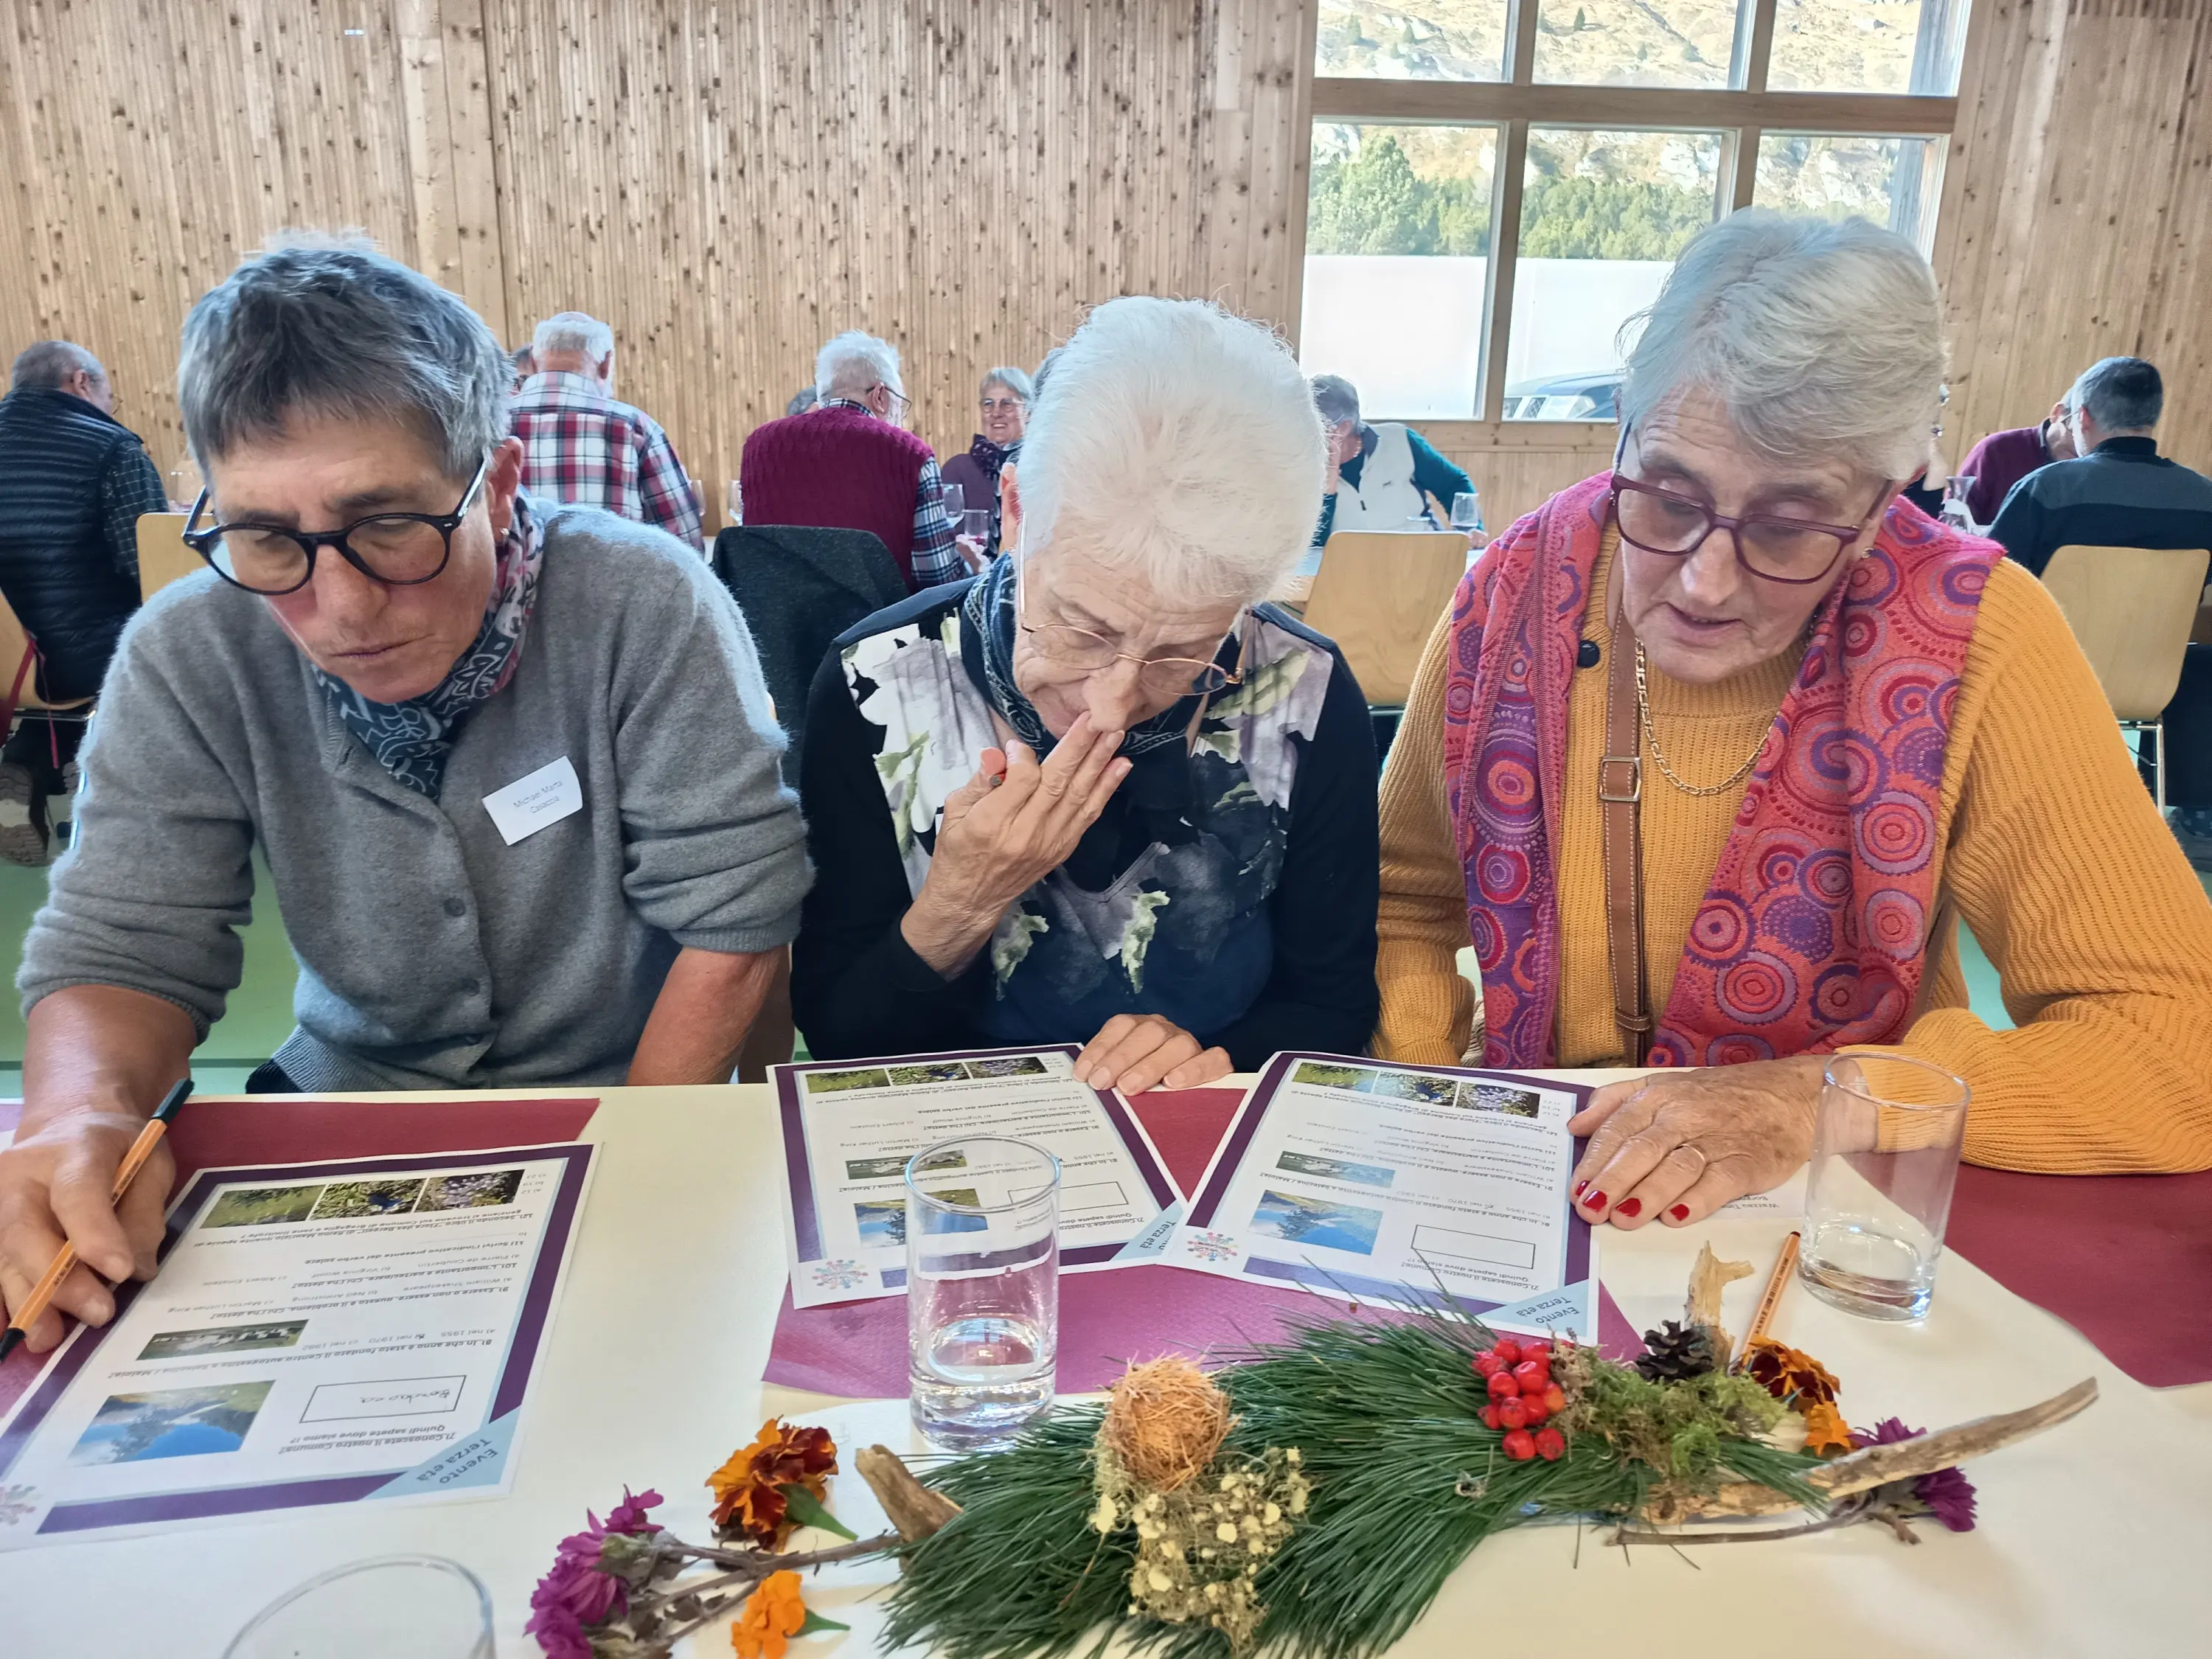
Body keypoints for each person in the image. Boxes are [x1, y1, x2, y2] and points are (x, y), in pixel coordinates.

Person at [0, 239, 807, 1354]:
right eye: (266, 538)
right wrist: (79, 1116)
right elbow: (123, 947)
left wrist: (625, 1168)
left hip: (630, 1092)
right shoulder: (187, 650)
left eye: (389, 526)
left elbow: (734, 923)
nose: (339, 605)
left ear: (501, 479)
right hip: (350, 1105)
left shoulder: (641, 603)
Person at [1371, 211, 2212, 1232]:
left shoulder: (1978, 634)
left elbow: (2176, 1044)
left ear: (1881, 505)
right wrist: (1428, 1119)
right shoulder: (1513, 591)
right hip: (1535, 1197)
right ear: (1624, 435)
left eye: (1787, 526)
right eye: (1668, 494)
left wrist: (1822, 1096)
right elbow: (1406, 907)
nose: (1705, 578)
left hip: (1828, 1213)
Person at [793, 296, 1379, 1092]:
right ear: (1014, 512)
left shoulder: (1302, 694)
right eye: (1083, 626)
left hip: (1191, 1141)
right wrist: (959, 906)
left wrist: (1218, 1058)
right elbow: (836, 1042)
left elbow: (1332, 1007)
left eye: (1183, 654)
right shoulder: (876, 685)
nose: (1112, 707)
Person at [0, 342, 167, 864]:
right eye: (110, 396)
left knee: (54, 653)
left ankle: (26, 766)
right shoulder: (111, 448)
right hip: (78, 661)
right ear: (81, 382)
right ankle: (100, 778)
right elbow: (148, 568)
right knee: (163, 632)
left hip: (6, 666)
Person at [740, 332, 971, 591]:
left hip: (772, 628)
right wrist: (972, 569)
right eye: (900, 405)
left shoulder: (757, 446)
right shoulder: (910, 455)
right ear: (881, 396)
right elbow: (938, 580)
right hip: (879, 629)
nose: (900, 419)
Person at [1986, 358, 2212, 576]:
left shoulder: (2042, 490)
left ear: (2083, 417)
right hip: (2170, 617)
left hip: (2053, 616)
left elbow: (1985, 578)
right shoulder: (2205, 499)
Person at [509, 310, 706, 551]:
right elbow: (685, 543)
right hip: (615, 587)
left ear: (532, 360)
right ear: (606, 363)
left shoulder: (490, 424)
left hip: (510, 588)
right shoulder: (635, 427)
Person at [1310, 374, 1473, 544]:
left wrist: (1470, 531)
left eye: (1311, 423)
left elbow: (1454, 484)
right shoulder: (1299, 466)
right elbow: (1312, 547)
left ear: (1343, 428)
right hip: (1349, 565)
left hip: (1419, 556)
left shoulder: (1399, 439)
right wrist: (1329, 480)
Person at [939, 366, 1032, 556]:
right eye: (988, 404)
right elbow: (940, 540)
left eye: (1007, 404)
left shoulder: (1039, 471)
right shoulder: (956, 471)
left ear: (1028, 412)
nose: (996, 413)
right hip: (968, 579)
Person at [1957, 394, 2077, 527]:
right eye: (2075, 431)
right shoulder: (1997, 450)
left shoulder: (2095, 471)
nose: (2081, 448)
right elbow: (1954, 525)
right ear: (2057, 413)